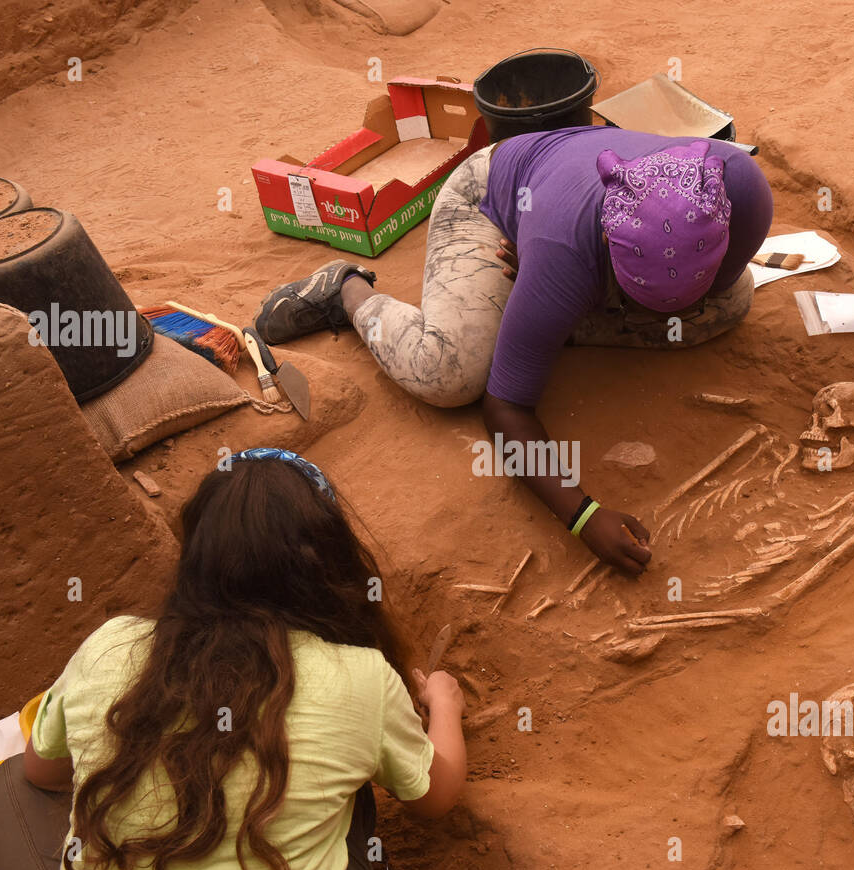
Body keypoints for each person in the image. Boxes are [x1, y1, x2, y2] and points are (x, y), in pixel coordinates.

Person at [255, 126, 773, 579]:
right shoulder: (564, 249)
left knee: (730, 306)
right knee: (449, 374)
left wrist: (585, 298)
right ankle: (345, 292)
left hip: (562, 218)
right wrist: (583, 516)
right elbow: (505, 408)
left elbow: (712, 293)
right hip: (490, 200)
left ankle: (541, 315)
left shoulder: (741, 188)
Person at [0, 448, 466, 870]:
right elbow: (436, 796)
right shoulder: (361, 677)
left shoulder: (110, 645)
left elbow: (42, 773)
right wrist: (443, 705)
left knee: (10, 780)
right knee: (351, 787)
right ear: (329, 562)